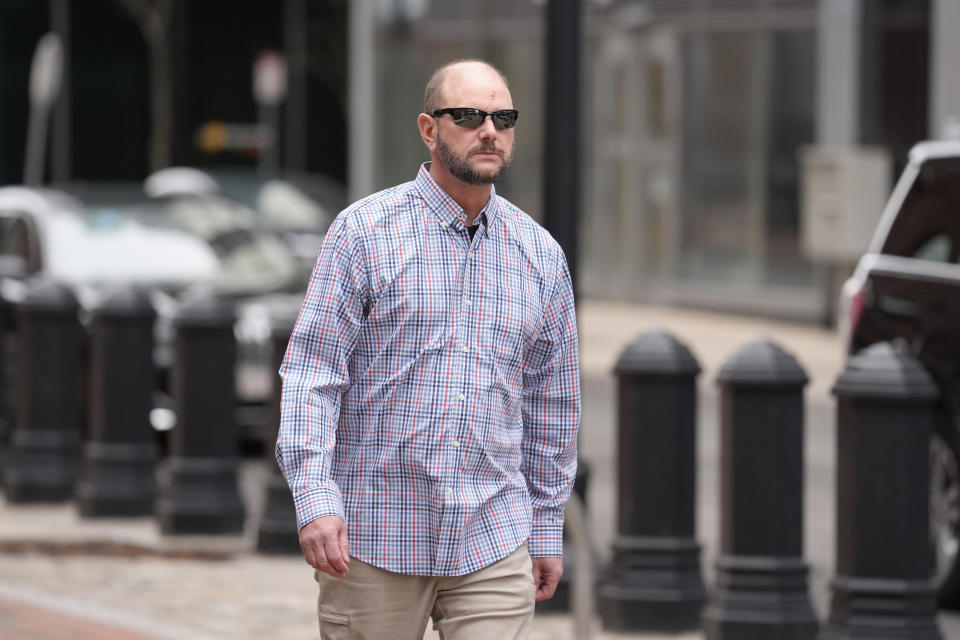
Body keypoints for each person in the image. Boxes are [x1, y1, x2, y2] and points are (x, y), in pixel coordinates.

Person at [276, 59, 581, 639]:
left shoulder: (540, 255)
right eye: (468, 116)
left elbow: (553, 405)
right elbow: (313, 375)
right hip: (373, 538)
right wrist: (315, 497)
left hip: (493, 539)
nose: (488, 130)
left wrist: (544, 528)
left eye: (503, 117)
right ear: (428, 128)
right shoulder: (363, 232)